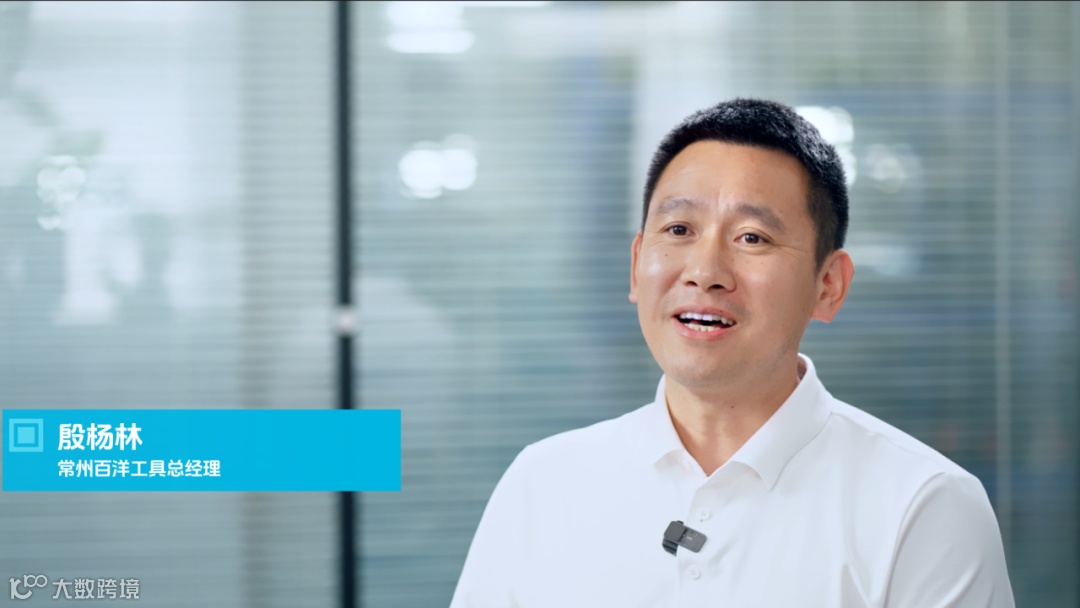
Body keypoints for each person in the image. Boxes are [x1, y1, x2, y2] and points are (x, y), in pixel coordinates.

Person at [450, 98, 1014, 607]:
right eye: (679, 229)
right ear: (636, 265)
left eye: (752, 238)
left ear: (828, 285)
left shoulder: (924, 507)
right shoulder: (543, 483)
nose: (704, 271)